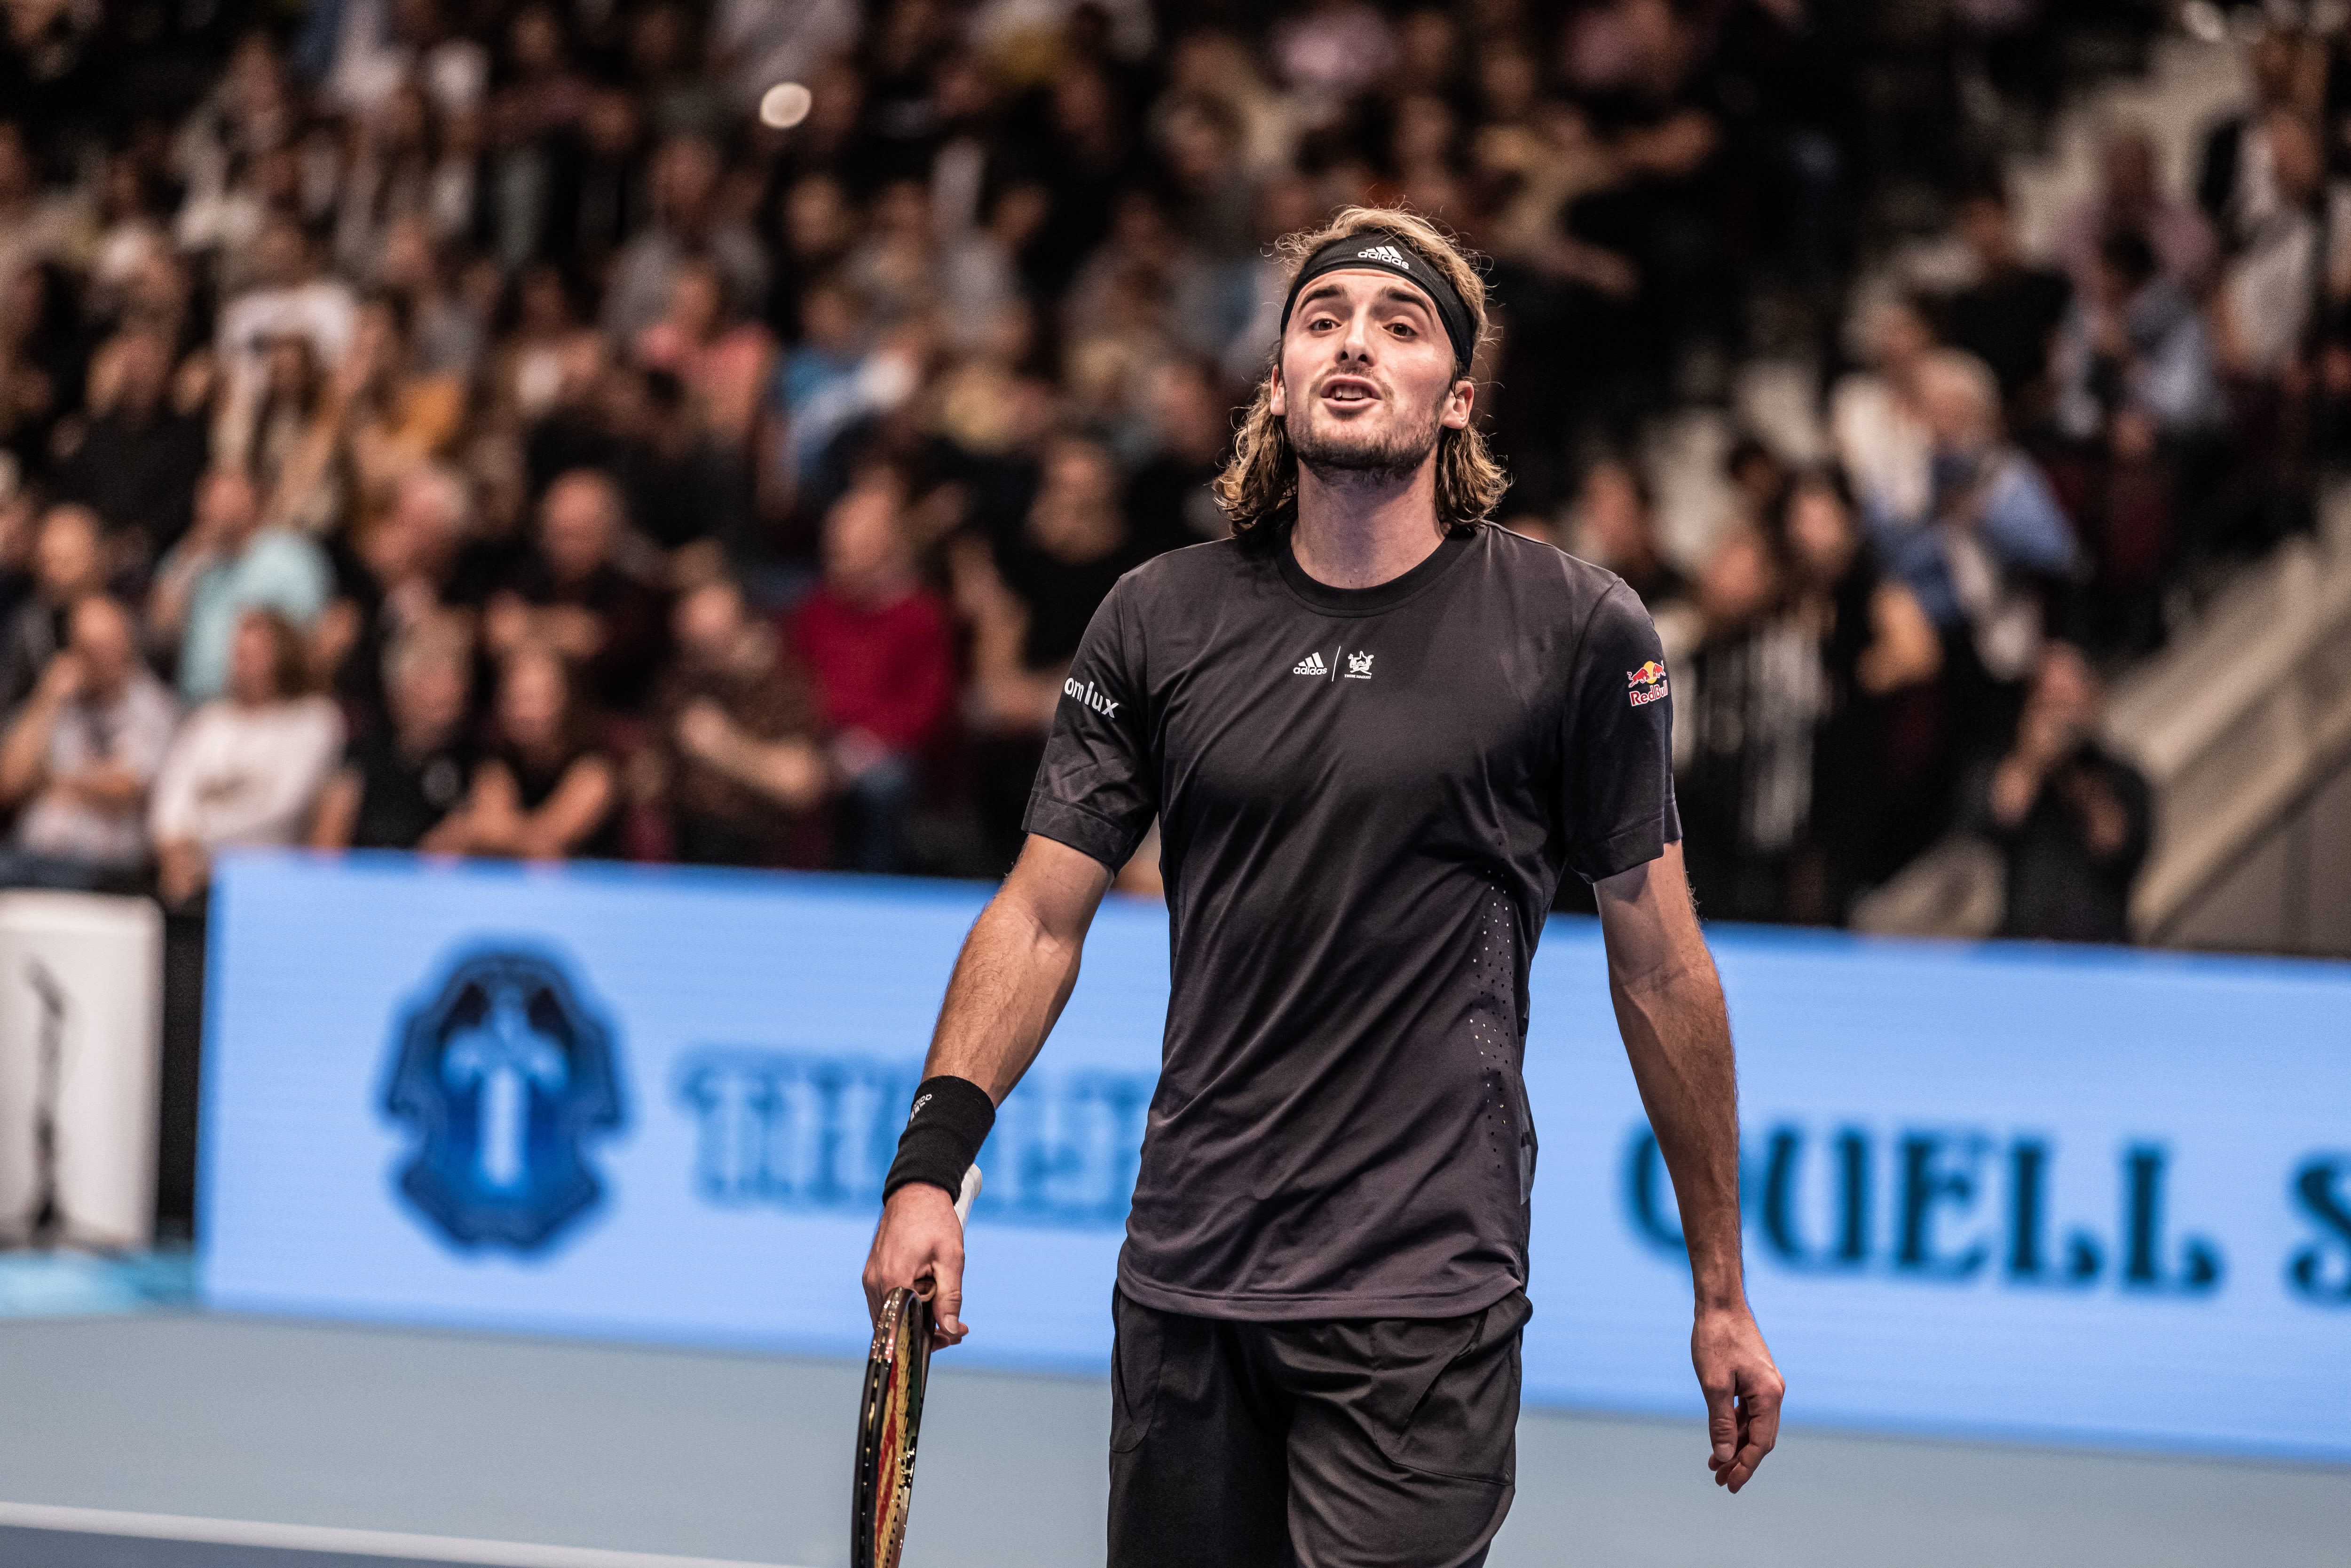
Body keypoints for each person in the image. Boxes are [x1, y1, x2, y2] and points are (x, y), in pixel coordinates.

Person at [861, 208, 1781, 1568]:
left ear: (1456, 398)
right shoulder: (1157, 619)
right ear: (1279, 379)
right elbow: (1042, 912)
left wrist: (1721, 1287)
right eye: (1322, 317)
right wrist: (929, 1167)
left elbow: (1660, 961)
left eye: (1402, 326)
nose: (1356, 341)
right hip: (1186, 1282)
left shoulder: (1579, 631)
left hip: (1423, 1297)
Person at [786, 473, 955, 873]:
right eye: (833, 551)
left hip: (887, 750)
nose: (835, 563)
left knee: (885, 784)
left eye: (848, 552)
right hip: (819, 740)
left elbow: (929, 707)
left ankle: (873, 889)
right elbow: (792, 684)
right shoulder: (814, 612)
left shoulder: (921, 617)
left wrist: (866, 744)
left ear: (886, 551)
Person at [149, 607, 345, 906]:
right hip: (192, 881)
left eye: (257, 654)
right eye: (239, 654)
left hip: (274, 885)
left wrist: (204, 837)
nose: (246, 665)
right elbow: (171, 800)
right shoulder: (208, 722)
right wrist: (176, 845)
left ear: (284, 657)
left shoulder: (313, 722)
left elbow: (282, 805)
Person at [1972, 643, 2150, 945]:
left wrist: (2076, 775)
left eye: (2068, 700)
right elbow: (2000, 815)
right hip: (2029, 951)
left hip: (2101, 950)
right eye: (2050, 702)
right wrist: (2034, 758)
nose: (2060, 717)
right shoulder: (2012, 771)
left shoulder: (2123, 778)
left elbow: (2112, 843)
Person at [0, 595, 179, 889]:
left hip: (107, 869)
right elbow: (10, 781)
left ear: (128, 648)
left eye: (107, 647)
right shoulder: (58, 702)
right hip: (31, 856)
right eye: (87, 649)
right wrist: (45, 701)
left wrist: (53, 783)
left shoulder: (151, 706)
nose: (100, 659)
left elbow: (130, 788)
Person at [651, 577, 826, 868]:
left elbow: (802, 784)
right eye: (693, 641)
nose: (702, 651)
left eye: (713, 638)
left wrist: (725, 746)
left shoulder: (783, 685)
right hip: (684, 849)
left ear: (742, 628)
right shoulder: (680, 682)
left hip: (760, 851)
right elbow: (651, 772)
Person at [146, 466, 333, 703]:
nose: (210, 504)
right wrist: (190, 557)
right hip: (197, 711)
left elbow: (306, 642)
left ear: (251, 497)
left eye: (223, 491)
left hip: (265, 708)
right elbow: (160, 631)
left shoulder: (291, 556)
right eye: (206, 494)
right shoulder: (194, 559)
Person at [427, 645, 619, 860]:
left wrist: (469, 829)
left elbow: (546, 845)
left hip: (591, 891)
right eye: (516, 699)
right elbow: (449, 843)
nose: (525, 713)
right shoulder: (497, 765)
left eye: (537, 698)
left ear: (566, 702)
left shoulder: (594, 772)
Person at [309, 618, 477, 851]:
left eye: (454, 677)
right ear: (397, 692)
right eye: (432, 677)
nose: (448, 691)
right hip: (366, 882)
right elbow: (326, 846)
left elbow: (492, 825)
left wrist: (465, 833)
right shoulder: (364, 757)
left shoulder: (476, 758)